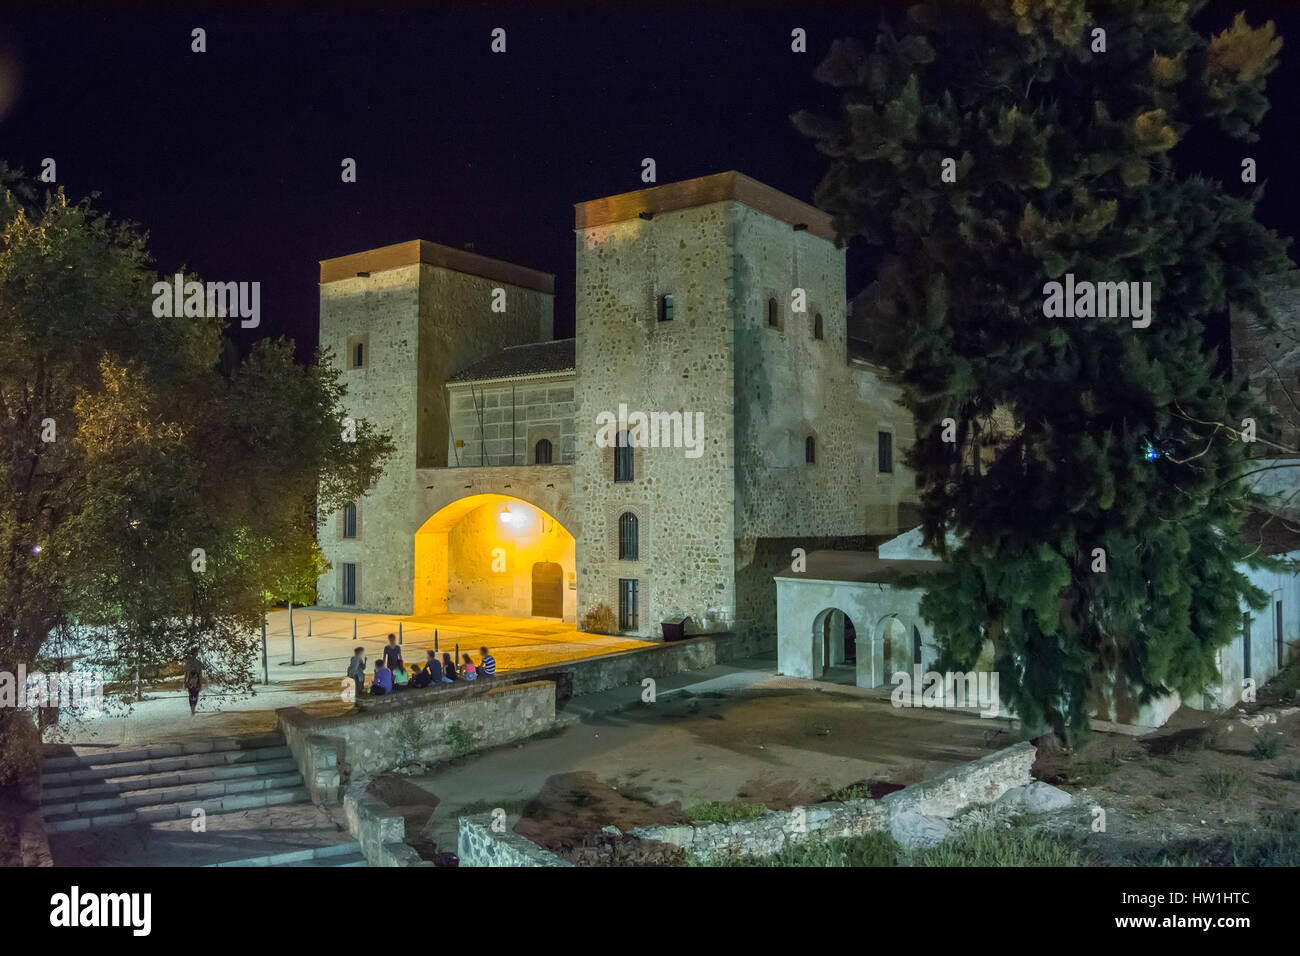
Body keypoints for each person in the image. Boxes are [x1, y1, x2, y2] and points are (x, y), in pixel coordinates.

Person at [183, 646, 202, 716]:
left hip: (192, 681)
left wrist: (185, 682)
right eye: (196, 652)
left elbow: (186, 673)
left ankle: (193, 709)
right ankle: (193, 709)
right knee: (194, 695)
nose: (196, 654)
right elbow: (199, 674)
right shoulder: (197, 663)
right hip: (193, 681)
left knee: (192, 695)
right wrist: (200, 683)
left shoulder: (189, 663)